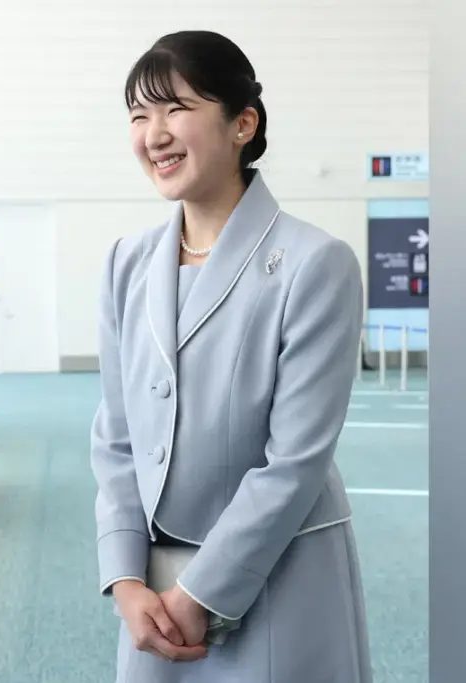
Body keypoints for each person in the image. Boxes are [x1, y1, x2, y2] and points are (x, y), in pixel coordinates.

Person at [90, 30, 372, 683]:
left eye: (175, 108)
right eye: (138, 115)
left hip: (277, 576)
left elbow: (295, 460)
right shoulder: (123, 264)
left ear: (243, 123)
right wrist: (126, 577)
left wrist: (201, 594)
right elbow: (117, 438)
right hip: (153, 596)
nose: (153, 134)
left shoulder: (314, 264)